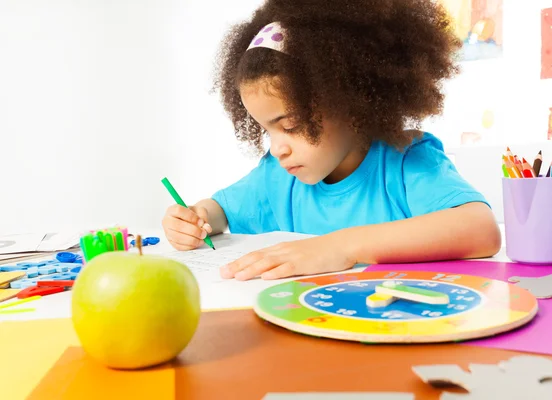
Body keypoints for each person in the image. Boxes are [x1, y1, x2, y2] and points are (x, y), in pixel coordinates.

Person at [161, 0, 501, 281]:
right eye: (267, 130)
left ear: (351, 102)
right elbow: (220, 212)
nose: (277, 148)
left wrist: (340, 247)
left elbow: (481, 230)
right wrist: (194, 218)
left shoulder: (403, 161)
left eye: (290, 124)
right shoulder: (277, 177)